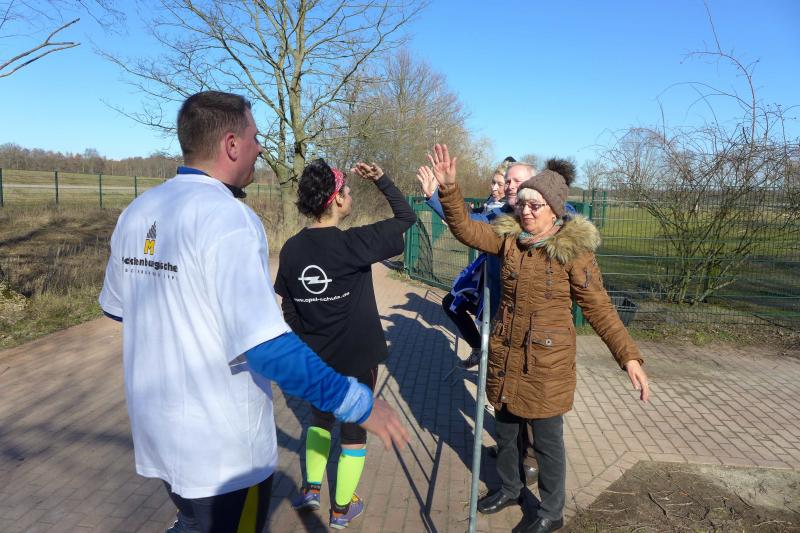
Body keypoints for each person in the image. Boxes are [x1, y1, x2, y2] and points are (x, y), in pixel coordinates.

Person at [98, 91, 410, 533]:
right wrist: (357, 402)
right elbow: (266, 346)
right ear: (231, 144)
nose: (261, 148)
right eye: (255, 138)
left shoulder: (137, 211)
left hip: (157, 436)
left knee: (191, 522)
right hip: (224, 450)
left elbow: (120, 310)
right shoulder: (228, 218)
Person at [427, 144, 650, 533]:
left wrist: (628, 357)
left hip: (547, 364)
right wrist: (448, 188)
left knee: (546, 443)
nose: (526, 212)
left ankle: (551, 510)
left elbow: (600, 308)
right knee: (506, 432)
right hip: (506, 355)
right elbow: (464, 228)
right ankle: (510, 488)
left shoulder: (572, 254)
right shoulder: (508, 240)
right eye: (522, 204)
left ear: (555, 210)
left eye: (535, 206)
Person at [274, 159, 416, 529]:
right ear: (337, 199)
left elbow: (288, 305)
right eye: (347, 190)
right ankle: (340, 509)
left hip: (314, 360)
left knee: (319, 420)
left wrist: (307, 341)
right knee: (353, 430)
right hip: (357, 358)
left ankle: (311, 489)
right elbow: (406, 217)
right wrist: (382, 179)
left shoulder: (291, 249)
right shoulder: (355, 243)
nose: (350, 195)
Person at [417, 158, 544, 489]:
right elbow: (466, 223)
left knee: (526, 393)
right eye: (506, 181)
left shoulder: (545, 217)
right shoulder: (497, 217)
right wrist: (436, 195)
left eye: (515, 182)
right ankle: (511, 454)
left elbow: (569, 217)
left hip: (531, 325)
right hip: (501, 317)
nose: (508, 187)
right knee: (504, 391)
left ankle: (531, 458)